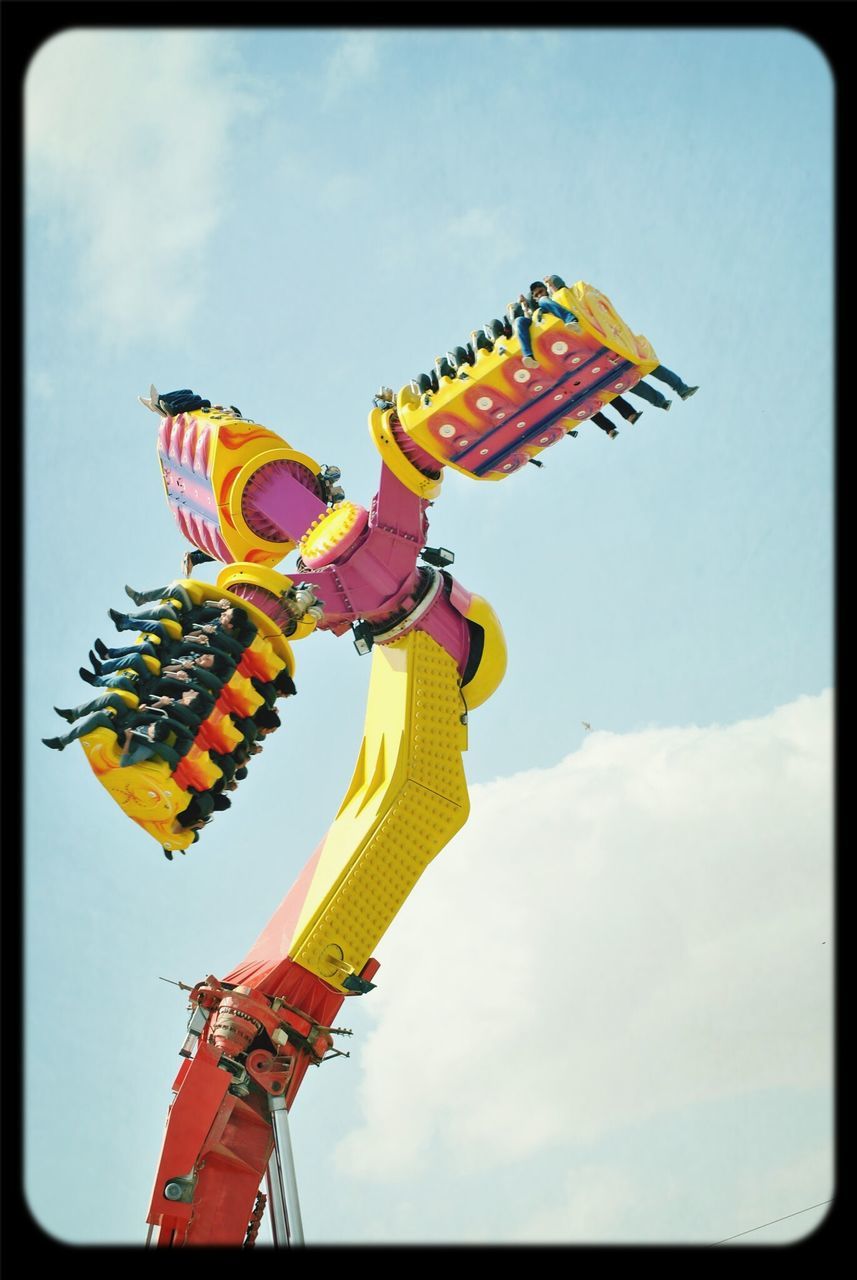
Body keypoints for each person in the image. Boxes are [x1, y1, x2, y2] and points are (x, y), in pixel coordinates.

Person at [543, 275, 699, 401]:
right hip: (606, 338)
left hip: (605, 337)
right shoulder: (569, 295)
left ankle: (674, 393)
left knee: (635, 370)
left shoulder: (566, 296)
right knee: (632, 373)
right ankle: (668, 396)